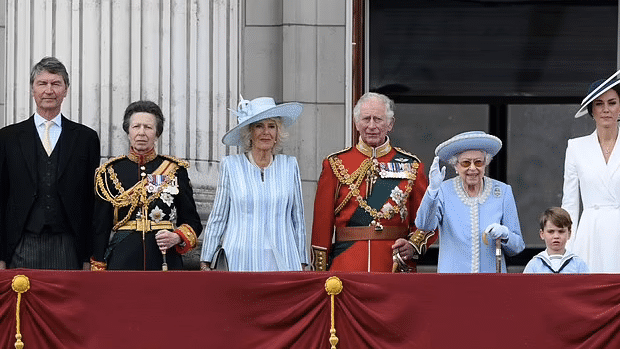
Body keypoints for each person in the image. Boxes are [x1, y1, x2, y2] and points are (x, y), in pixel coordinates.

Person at [0, 57, 101, 270]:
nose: (49, 90)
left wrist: (88, 256)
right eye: (42, 83)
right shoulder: (7, 138)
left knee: (68, 303)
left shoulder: (86, 139)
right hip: (20, 243)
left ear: (65, 90)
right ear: (32, 89)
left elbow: (90, 201)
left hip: (68, 245)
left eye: (56, 84)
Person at [311, 93, 429, 272]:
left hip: (393, 265)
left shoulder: (412, 166)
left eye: (378, 119)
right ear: (357, 123)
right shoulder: (335, 163)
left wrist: (412, 245)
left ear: (390, 124)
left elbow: (426, 219)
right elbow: (322, 225)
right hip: (346, 264)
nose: (372, 126)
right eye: (366, 119)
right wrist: (319, 273)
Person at [562, 67, 620, 273]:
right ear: (591, 110)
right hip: (589, 231)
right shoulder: (576, 147)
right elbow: (569, 203)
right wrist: (568, 248)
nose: (606, 109)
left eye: (612, 103)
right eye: (599, 104)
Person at [199, 97, 309, 272]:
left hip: (284, 258)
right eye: (259, 126)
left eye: (271, 126)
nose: (266, 132)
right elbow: (219, 216)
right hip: (240, 259)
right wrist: (206, 259)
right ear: (249, 132)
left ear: (278, 133)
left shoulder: (289, 166)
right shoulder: (231, 166)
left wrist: (303, 260)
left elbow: (298, 218)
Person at [91, 101, 202, 270]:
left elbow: (192, 221)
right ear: (128, 131)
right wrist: (98, 264)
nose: (141, 132)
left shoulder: (174, 170)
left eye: (148, 127)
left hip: (164, 259)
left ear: (157, 133)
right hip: (123, 259)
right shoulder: (109, 172)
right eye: (136, 126)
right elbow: (100, 227)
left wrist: (177, 237)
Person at [412, 131, 523, 273]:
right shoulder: (443, 191)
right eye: (465, 163)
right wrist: (432, 191)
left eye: (478, 162)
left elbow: (517, 247)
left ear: (485, 164)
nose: (472, 168)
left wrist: (506, 234)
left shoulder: (502, 191)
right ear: (456, 166)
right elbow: (424, 225)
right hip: (453, 282)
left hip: (490, 282)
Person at [523, 207, 590, 274]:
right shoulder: (534, 265)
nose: (556, 236)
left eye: (561, 231)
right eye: (551, 231)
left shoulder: (578, 265)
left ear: (569, 234)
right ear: (542, 234)